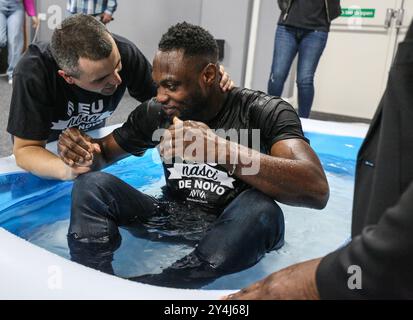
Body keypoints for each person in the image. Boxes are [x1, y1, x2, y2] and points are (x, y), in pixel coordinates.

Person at [57, 22, 329, 289]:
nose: (161, 96)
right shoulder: (158, 114)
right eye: (158, 86)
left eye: (171, 86)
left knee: (262, 208)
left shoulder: (262, 111)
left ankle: (163, 287)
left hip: (234, 230)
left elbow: (315, 188)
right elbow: (101, 154)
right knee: (90, 186)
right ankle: (92, 280)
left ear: (209, 76)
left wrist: (218, 148)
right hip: (170, 217)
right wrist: (78, 147)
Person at [225, 20, 413, 300]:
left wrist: (321, 280)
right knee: (277, 76)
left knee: (304, 79)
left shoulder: (271, 115)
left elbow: (316, 187)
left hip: (381, 269)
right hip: (375, 267)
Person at [6, 14, 232, 180]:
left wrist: (206, 83)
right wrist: (67, 169)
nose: (116, 80)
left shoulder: (125, 51)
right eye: (101, 79)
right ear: (68, 78)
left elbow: (169, 101)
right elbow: (26, 150)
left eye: (117, 66)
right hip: (49, 148)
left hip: (92, 139)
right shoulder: (33, 72)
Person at [268, 0, 341, 118]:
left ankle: (303, 122)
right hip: (287, 25)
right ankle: (269, 116)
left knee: (305, 80)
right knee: (277, 76)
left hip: (317, 29)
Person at [0, 0, 39, 85]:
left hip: (16, 6)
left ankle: (13, 73)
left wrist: (32, 14)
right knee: (1, 39)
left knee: (15, 40)